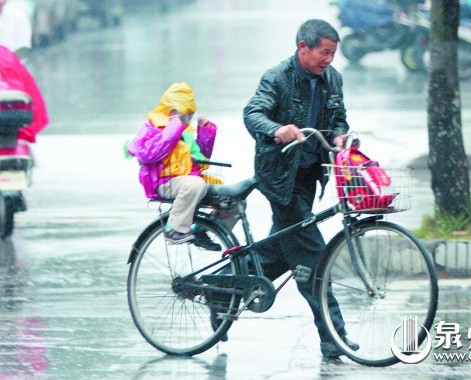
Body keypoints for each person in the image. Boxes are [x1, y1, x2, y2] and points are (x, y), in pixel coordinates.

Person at [242, 19, 356, 361]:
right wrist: (278, 130)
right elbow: (253, 114)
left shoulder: (332, 78)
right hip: (279, 178)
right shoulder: (277, 76)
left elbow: (339, 118)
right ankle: (333, 335)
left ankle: (221, 292)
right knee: (312, 256)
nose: (329, 60)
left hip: (308, 176)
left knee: (279, 252)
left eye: (333, 53)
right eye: (324, 52)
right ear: (302, 48)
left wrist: (338, 135)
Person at [126, 82, 223, 250]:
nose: (186, 121)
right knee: (194, 185)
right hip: (163, 180)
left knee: (232, 201)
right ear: (170, 111)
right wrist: (173, 127)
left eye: (189, 116)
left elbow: (201, 157)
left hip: (186, 178)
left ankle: (201, 230)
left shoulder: (184, 132)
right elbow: (149, 154)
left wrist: (205, 130)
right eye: (184, 116)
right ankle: (175, 228)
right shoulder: (150, 127)